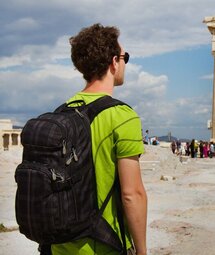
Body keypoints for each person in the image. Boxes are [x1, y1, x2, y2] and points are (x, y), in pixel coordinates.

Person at [51, 24, 147, 255]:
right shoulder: (122, 116)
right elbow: (132, 194)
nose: (124, 63)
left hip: (59, 245)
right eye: (125, 57)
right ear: (114, 61)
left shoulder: (61, 112)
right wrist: (142, 251)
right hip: (103, 245)